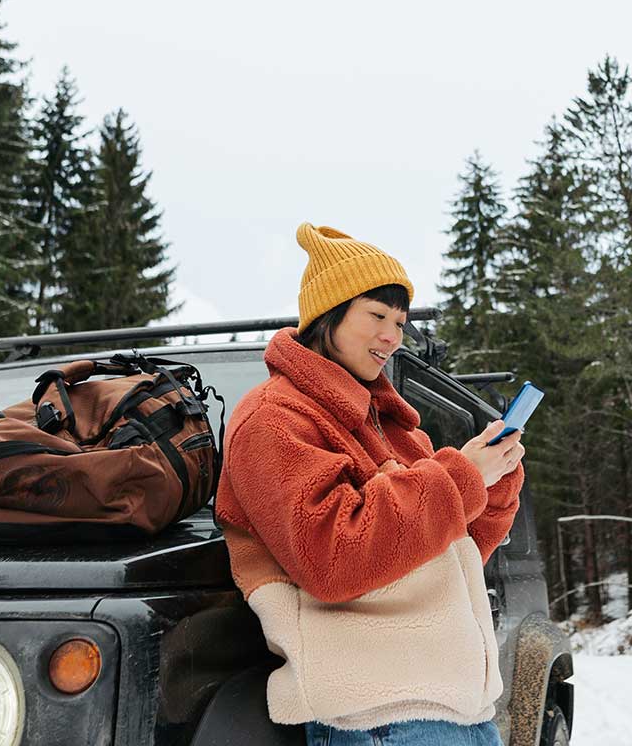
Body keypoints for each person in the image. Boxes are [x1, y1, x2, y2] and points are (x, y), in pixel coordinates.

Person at [214, 223, 525, 746]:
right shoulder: (273, 419)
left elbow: (441, 553)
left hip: (456, 709)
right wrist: (462, 477)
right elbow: (333, 556)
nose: (392, 337)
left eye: (399, 322)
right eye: (376, 315)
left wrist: (492, 487)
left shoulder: (389, 425)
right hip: (379, 718)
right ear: (327, 315)